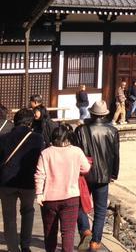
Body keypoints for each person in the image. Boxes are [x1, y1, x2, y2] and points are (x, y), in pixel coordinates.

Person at [35, 124, 91, 252]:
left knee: (50, 232)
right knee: (68, 233)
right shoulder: (76, 151)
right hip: (71, 197)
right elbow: (86, 168)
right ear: (68, 138)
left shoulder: (46, 153)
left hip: (49, 198)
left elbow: (39, 174)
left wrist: (39, 193)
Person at [75, 101, 120, 251]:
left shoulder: (81, 130)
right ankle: (95, 242)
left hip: (84, 173)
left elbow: (76, 153)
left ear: (91, 113)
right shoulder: (112, 131)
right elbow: (115, 155)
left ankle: (85, 230)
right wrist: (114, 173)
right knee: (100, 209)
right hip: (104, 175)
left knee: (80, 204)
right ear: (105, 114)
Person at [0, 108, 44, 252]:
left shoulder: (4, 138)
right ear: (30, 123)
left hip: (6, 182)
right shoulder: (37, 138)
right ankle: (25, 246)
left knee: (9, 217)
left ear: (15, 121)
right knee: (28, 211)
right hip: (28, 182)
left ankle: (13, 248)